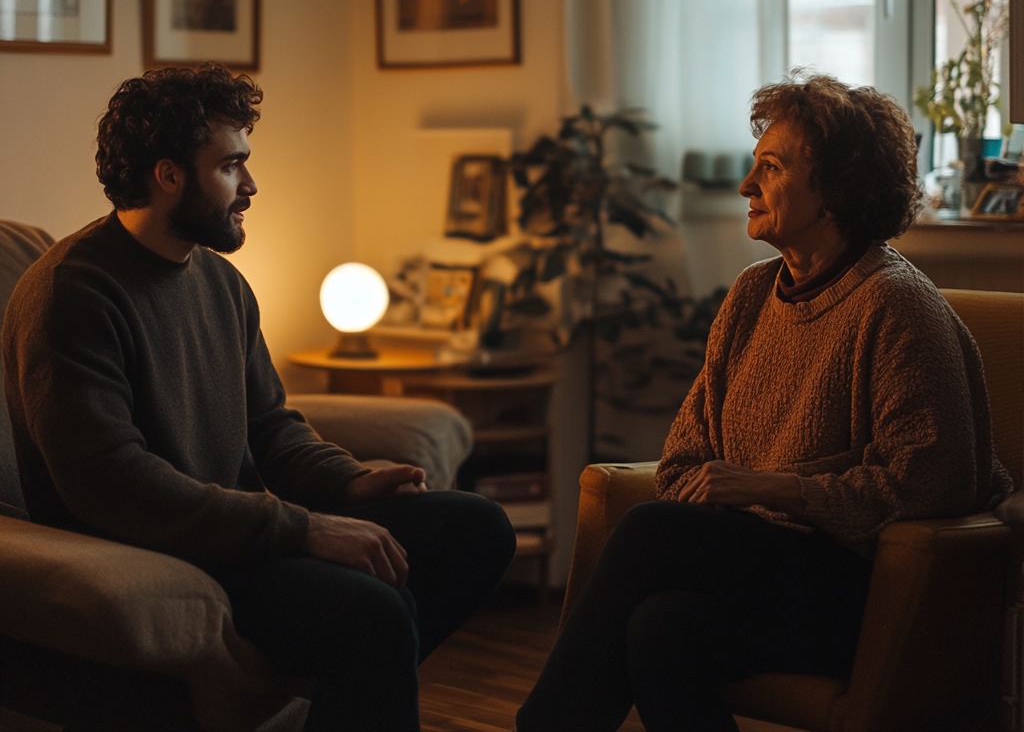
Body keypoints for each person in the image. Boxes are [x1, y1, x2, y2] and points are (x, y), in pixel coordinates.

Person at [3, 64, 516, 732]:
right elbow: (112, 485)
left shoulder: (220, 281)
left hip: (238, 529)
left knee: (476, 528)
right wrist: (304, 528)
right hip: (157, 548)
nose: (250, 186)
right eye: (231, 167)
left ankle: (349, 689)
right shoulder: (71, 293)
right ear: (168, 176)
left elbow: (271, 427)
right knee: (373, 611)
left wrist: (351, 482)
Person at [515, 73, 1012, 732]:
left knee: (651, 530)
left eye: (771, 169)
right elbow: (683, 463)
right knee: (660, 629)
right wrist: (760, 495)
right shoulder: (752, 296)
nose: (746, 185)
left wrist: (777, 489)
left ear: (836, 189)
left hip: (866, 589)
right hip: (762, 572)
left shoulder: (895, 304)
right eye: (754, 165)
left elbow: (932, 485)